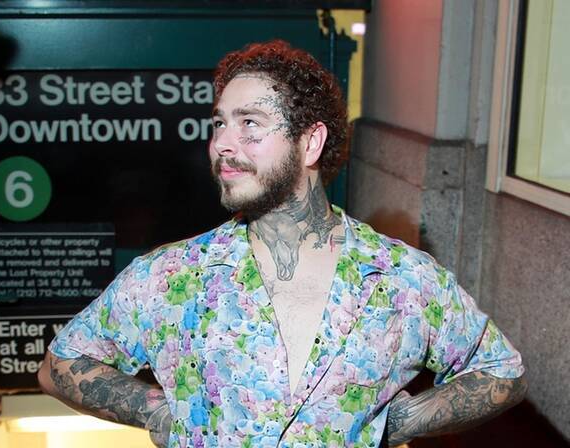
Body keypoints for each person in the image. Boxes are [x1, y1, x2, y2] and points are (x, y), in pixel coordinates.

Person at [38, 40, 527, 447]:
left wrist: (400, 422)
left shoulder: (401, 279)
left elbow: (502, 372)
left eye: (250, 123)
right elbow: (60, 364)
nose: (222, 143)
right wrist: (156, 411)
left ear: (310, 143)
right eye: (219, 123)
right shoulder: (172, 277)